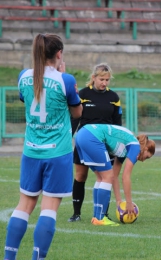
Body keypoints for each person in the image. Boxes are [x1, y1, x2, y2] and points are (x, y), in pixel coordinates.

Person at [3, 33, 82, 260]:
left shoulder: (23, 76)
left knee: (24, 205)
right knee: (49, 209)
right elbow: (77, 112)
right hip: (58, 152)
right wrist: (63, 75)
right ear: (59, 54)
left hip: (31, 151)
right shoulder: (65, 80)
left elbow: (28, 99)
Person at [68, 63, 122, 222]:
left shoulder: (114, 98)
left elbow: (117, 124)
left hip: (106, 143)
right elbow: (75, 118)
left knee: (107, 177)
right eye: (101, 79)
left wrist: (116, 144)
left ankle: (103, 214)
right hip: (85, 141)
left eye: (107, 80)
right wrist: (68, 138)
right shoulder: (83, 94)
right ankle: (76, 213)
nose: (104, 83)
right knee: (80, 175)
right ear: (93, 78)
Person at [75, 124, 155, 226]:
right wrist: (129, 203)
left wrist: (119, 201)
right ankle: (101, 218)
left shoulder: (127, 145)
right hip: (92, 136)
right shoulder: (135, 147)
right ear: (146, 148)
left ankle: (96, 217)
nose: (143, 160)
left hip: (82, 134)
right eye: (147, 157)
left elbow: (115, 176)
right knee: (107, 177)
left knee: (101, 178)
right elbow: (125, 177)